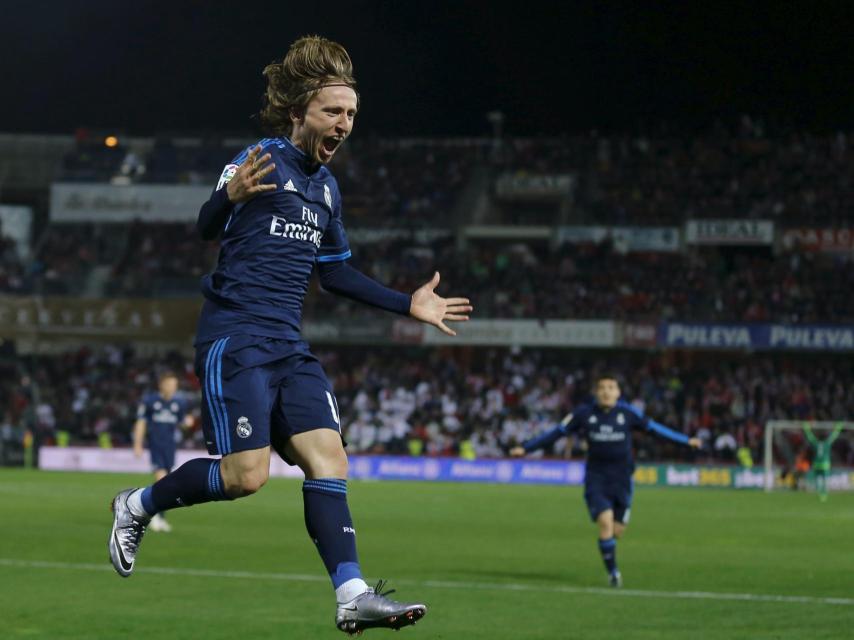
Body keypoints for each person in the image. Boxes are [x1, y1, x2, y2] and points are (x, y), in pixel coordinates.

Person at [108, 35, 472, 635]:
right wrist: (228, 196)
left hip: (288, 345)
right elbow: (205, 225)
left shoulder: (327, 190)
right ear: (299, 110)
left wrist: (405, 303)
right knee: (245, 478)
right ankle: (137, 505)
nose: (345, 123)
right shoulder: (261, 158)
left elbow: (333, 272)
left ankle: (351, 593)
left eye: (351, 114)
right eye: (334, 111)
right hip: (237, 336)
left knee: (329, 457)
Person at [510, 374, 701, 587]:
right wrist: (526, 448)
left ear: (618, 393)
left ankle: (609, 553)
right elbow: (556, 433)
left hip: (623, 480)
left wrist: (685, 441)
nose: (606, 392)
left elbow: (656, 430)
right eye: (602, 388)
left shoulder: (627, 413)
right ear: (595, 392)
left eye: (611, 387)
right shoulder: (583, 414)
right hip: (596, 479)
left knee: (616, 531)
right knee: (605, 523)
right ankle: (613, 574)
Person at [132, 371, 194, 532]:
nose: (173, 388)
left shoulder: (179, 403)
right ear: (162, 385)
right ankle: (154, 516)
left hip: (170, 448)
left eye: (175, 385)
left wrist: (187, 424)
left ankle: (157, 517)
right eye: (170, 385)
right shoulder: (150, 401)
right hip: (156, 447)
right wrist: (138, 444)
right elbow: (141, 423)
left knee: (166, 484)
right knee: (162, 481)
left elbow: (181, 424)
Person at [802, 422, 843, 502]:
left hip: (816, 464)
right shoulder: (827, 443)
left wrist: (806, 429)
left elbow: (810, 437)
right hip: (825, 464)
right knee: (825, 480)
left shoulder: (816, 443)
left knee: (817, 479)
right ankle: (824, 494)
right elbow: (833, 437)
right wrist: (838, 428)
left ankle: (819, 492)